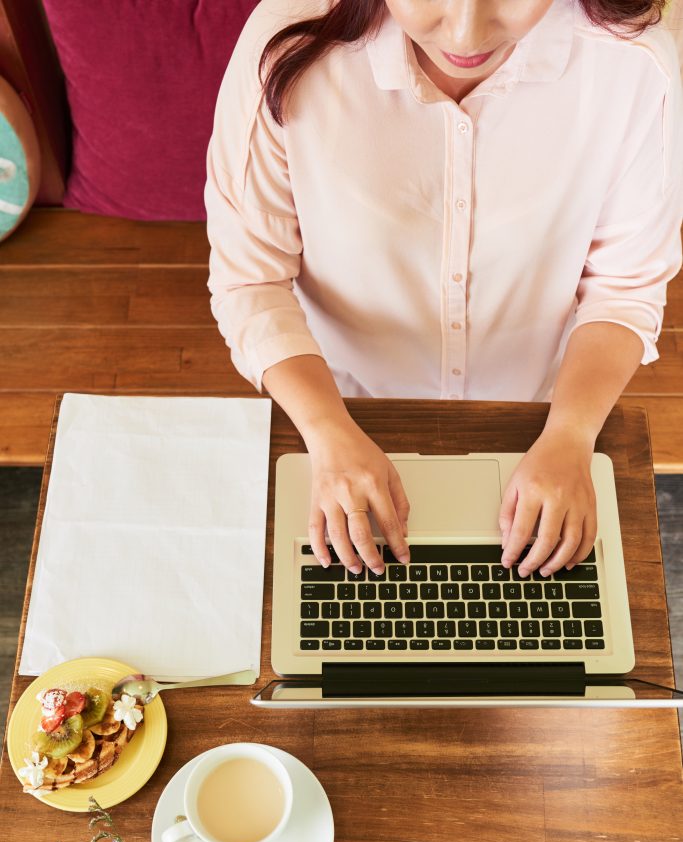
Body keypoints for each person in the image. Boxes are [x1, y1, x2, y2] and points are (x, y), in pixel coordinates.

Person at [205, 0, 683, 581]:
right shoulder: (284, 46)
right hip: (339, 408)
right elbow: (251, 278)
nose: (464, 33)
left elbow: (624, 284)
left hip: (538, 417)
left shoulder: (634, 62)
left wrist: (571, 434)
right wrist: (328, 433)